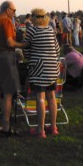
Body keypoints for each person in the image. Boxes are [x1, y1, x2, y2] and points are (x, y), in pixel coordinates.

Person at [0, 0, 28, 137]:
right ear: (7, 10)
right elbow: (9, 42)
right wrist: (24, 45)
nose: (15, 13)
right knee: (9, 93)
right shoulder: (6, 21)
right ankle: (6, 127)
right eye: (14, 10)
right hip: (5, 57)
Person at [23, 8, 60, 138]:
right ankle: (53, 127)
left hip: (38, 69)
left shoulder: (31, 30)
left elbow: (26, 50)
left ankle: (40, 131)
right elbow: (57, 49)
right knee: (52, 97)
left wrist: (31, 57)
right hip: (52, 68)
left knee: (40, 98)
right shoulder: (50, 30)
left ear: (34, 18)